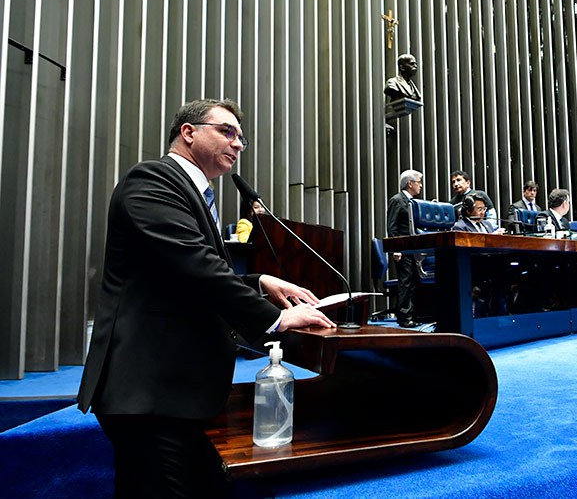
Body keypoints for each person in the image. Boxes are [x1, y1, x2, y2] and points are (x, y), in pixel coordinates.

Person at [76, 98, 336, 498]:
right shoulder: (152, 180)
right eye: (226, 132)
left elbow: (182, 276)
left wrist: (261, 279)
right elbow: (193, 265)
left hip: (176, 390)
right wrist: (277, 319)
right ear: (189, 132)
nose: (237, 144)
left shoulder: (195, 192)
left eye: (241, 139)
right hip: (149, 390)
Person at [386, 169, 424, 328]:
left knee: (413, 283)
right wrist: (396, 249)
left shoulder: (413, 202)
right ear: (410, 183)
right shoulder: (397, 200)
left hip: (413, 251)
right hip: (403, 250)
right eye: (418, 182)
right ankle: (404, 318)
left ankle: (412, 315)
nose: (420, 185)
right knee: (405, 283)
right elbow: (392, 227)